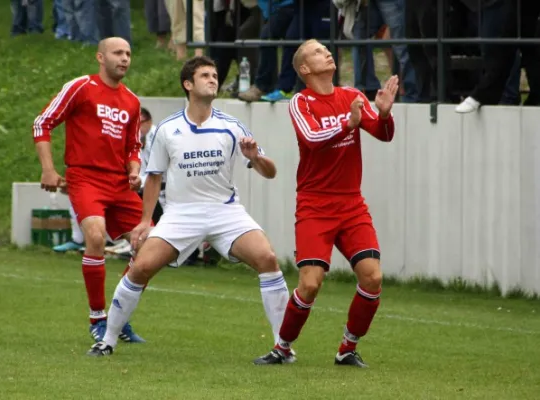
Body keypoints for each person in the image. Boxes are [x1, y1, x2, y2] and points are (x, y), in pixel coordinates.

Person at [86, 56, 290, 357]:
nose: (213, 79)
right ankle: (108, 341)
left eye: (215, 75)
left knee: (268, 258)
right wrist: (145, 221)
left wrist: (256, 157)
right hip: (180, 214)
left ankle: (282, 347)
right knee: (141, 267)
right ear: (188, 84)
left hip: (225, 211)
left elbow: (270, 172)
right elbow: (153, 177)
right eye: (205, 75)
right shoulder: (167, 129)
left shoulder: (232, 126)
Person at [254, 39, 398, 367]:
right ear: (304, 69)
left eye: (326, 50)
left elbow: (384, 134)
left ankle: (347, 348)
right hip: (314, 206)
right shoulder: (301, 102)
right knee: (309, 284)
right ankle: (283, 347)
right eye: (318, 52)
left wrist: (386, 114)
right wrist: (347, 125)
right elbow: (311, 138)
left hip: (351, 205)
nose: (327, 53)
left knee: (372, 278)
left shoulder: (353, 96)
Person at [32, 37, 146, 344]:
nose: (124, 58)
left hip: (120, 185)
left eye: (128, 54)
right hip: (86, 179)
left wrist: (134, 169)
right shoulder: (81, 87)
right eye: (118, 53)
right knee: (95, 236)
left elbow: (134, 146)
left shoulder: (132, 101)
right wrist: (48, 169)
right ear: (100, 57)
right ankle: (98, 318)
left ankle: (119, 318)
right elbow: (42, 123)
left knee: (151, 248)